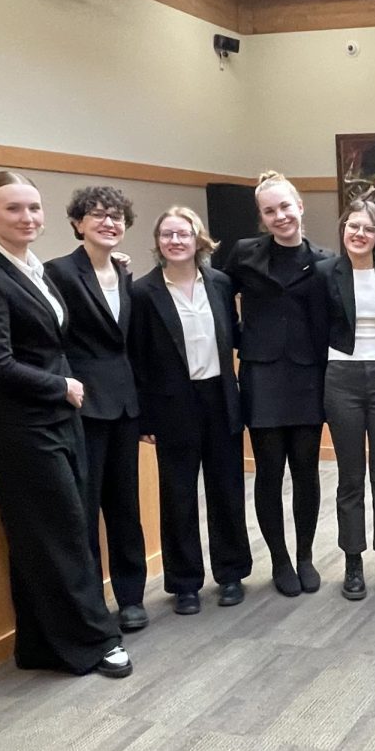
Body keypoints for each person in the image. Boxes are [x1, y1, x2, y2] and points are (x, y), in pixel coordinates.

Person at [0, 171, 130, 678]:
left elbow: (52, 332)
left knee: (54, 534)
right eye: (14, 209)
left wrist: (114, 265)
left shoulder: (33, 269)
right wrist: (60, 386)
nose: (28, 218)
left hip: (57, 421)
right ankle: (96, 641)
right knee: (60, 535)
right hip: (22, 426)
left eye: (34, 207)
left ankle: (40, 645)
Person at [129, 206, 252, 614]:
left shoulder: (219, 283)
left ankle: (231, 574)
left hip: (220, 397)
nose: (175, 241)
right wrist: (145, 418)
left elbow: (234, 336)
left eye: (183, 234)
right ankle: (184, 583)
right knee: (178, 496)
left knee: (227, 489)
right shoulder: (143, 292)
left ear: (198, 240)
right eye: (167, 234)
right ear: (158, 242)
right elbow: (138, 358)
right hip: (172, 405)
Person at [42, 186, 150, 633]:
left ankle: (131, 598)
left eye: (117, 217)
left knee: (125, 506)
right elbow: (50, 337)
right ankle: (92, 602)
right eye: (99, 215)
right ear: (78, 223)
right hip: (83, 405)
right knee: (84, 510)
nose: (109, 223)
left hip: (125, 404)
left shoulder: (125, 274)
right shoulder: (57, 273)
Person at [223, 171, 331, 597]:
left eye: (285, 206)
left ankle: (305, 555)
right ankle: (280, 560)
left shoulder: (324, 260)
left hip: (307, 374)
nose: (279, 215)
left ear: (300, 206)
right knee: (268, 470)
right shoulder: (244, 254)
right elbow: (213, 292)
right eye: (269, 211)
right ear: (261, 218)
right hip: (262, 374)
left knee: (306, 469)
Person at [321, 200, 375, 600]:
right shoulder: (325, 274)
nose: (359, 234)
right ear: (343, 230)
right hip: (341, 378)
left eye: (368, 228)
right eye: (352, 226)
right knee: (350, 477)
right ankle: (353, 560)